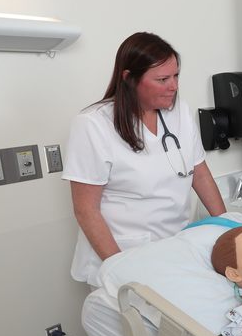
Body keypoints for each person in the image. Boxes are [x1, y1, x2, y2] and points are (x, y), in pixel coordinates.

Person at [64, 32, 225, 286]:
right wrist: (120, 271)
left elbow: (200, 174)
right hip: (122, 254)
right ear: (129, 78)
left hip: (176, 247)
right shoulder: (93, 124)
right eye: (162, 79)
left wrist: (228, 228)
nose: (173, 86)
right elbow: (86, 210)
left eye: (176, 76)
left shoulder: (179, 112)